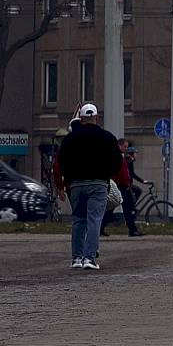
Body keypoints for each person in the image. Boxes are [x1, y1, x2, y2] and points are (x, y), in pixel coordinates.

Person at [56, 104, 122, 271]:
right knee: (94, 220)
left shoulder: (70, 139)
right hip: (98, 184)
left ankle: (76, 258)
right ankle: (90, 259)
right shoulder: (107, 137)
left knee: (78, 220)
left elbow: (61, 161)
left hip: (76, 185)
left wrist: (67, 181)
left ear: (82, 119)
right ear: (97, 118)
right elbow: (117, 162)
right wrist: (106, 175)